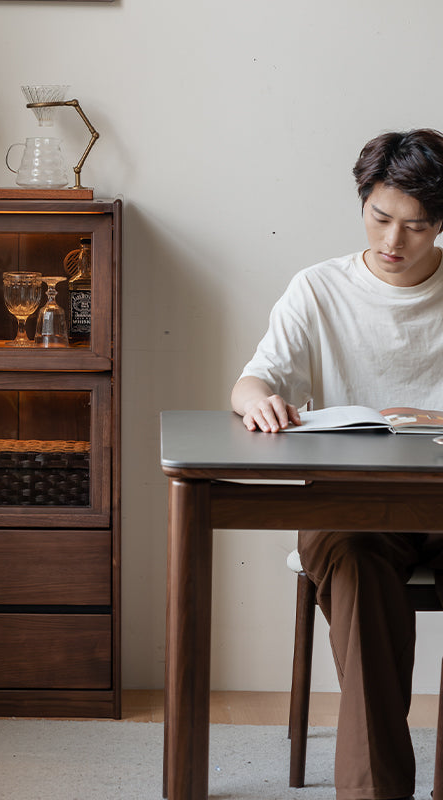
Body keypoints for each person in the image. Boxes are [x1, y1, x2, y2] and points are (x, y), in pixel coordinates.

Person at [231, 128, 443, 800]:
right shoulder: (319, 288)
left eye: (415, 227)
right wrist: (260, 400)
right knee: (351, 555)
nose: (393, 242)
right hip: (353, 504)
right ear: (363, 204)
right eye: (381, 218)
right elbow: (252, 381)